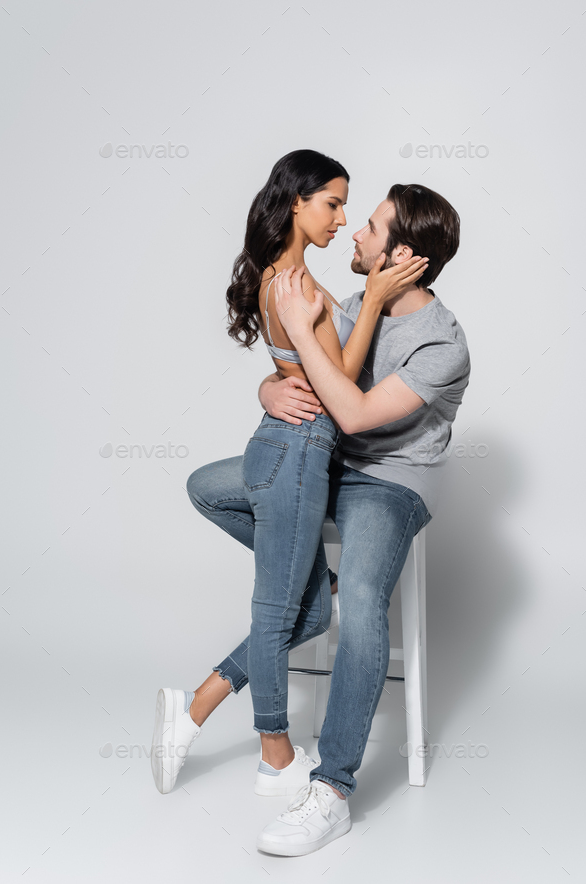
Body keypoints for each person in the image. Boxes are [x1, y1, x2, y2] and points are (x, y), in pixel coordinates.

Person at [162, 181, 470, 857]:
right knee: (210, 487)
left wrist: (309, 339)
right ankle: (313, 586)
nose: (354, 235)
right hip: (326, 467)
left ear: (404, 256)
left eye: (370, 227)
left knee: (361, 601)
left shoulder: (442, 345)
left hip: (390, 486)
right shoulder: (358, 305)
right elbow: (304, 374)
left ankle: (330, 791)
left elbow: (354, 413)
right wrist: (267, 386)